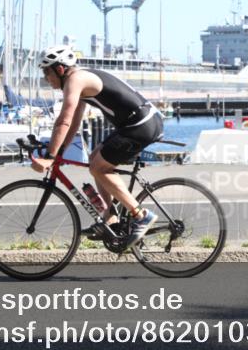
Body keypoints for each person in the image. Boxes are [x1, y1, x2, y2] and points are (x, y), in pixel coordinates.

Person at [31, 44, 163, 248]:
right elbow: (74, 123)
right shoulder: (79, 80)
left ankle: (140, 215)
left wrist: (49, 156)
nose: (45, 78)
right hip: (135, 124)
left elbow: (63, 120)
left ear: (59, 69)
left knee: (98, 167)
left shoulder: (75, 80)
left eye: (46, 72)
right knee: (95, 160)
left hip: (140, 125)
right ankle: (110, 218)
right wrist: (59, 153)